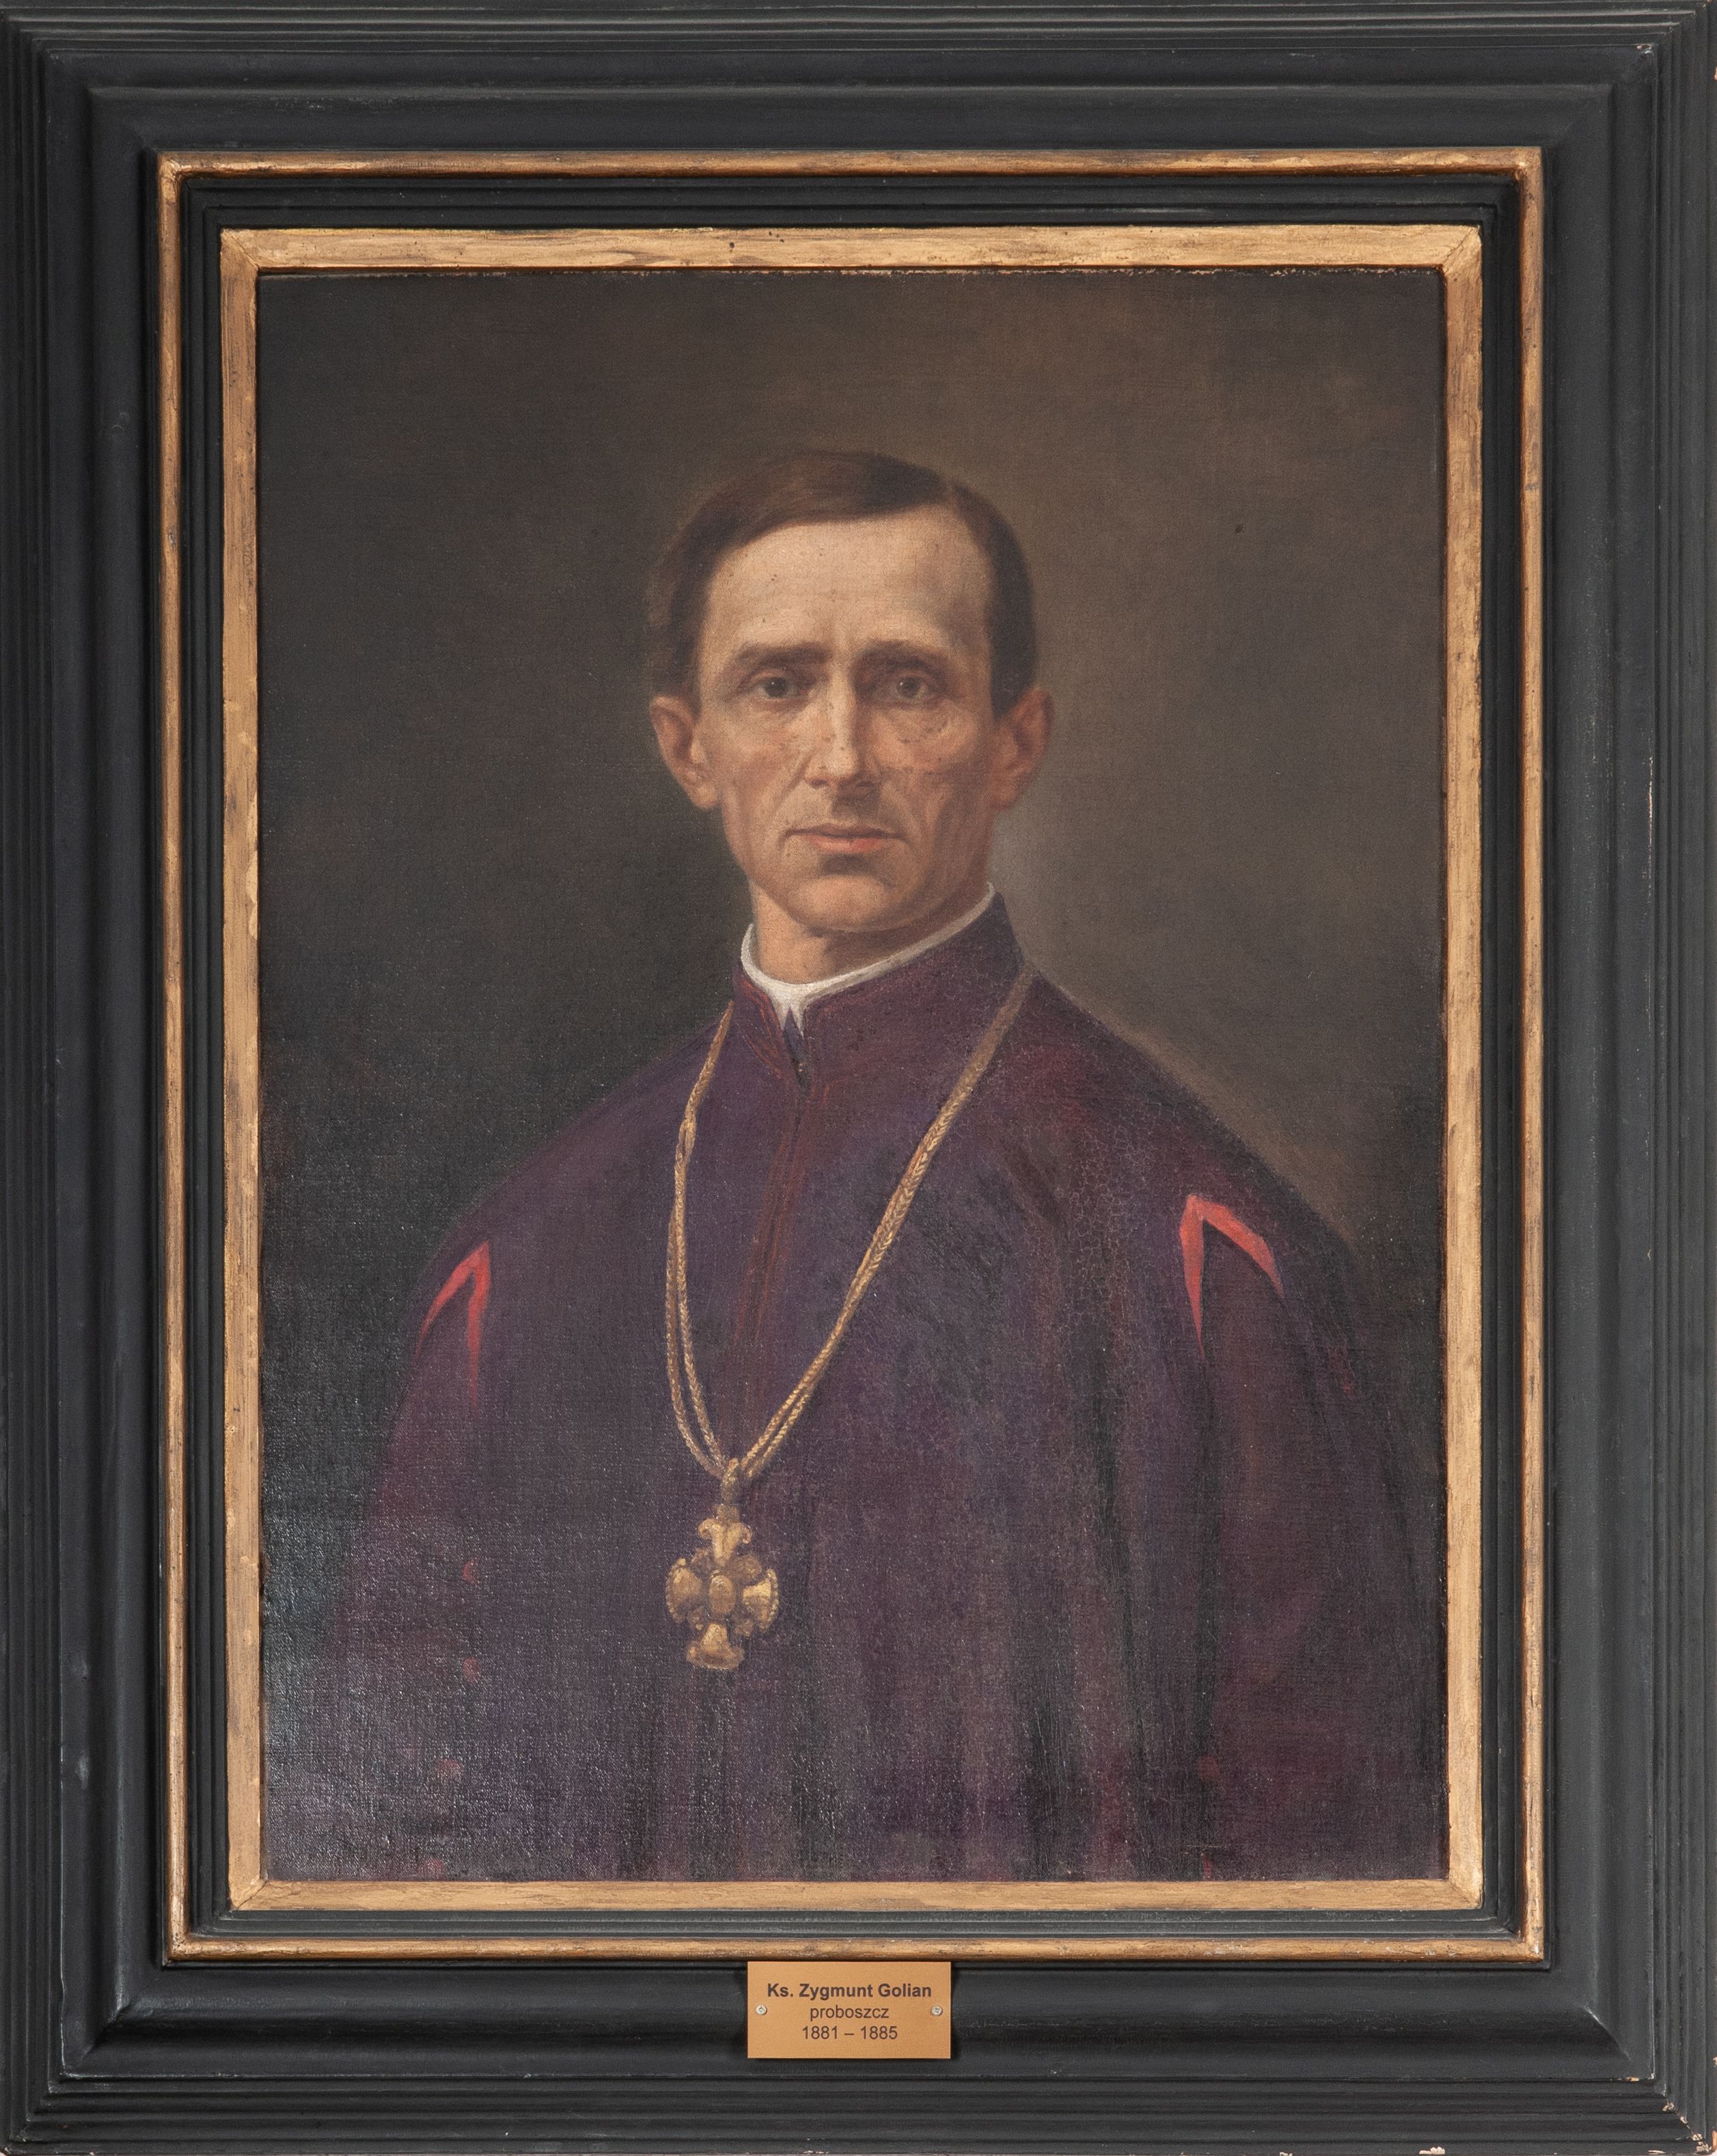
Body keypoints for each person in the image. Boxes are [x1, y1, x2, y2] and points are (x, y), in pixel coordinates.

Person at [274, 450, 1444, 1885]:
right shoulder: (518, 1260)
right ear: (687, 746)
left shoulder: (1205, 1253)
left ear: (1014, 741)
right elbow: (386, 1830)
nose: (841, 757)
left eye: (907, 685)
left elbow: (1330, 1858)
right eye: (777, 684)